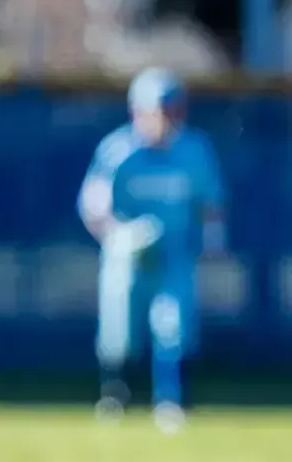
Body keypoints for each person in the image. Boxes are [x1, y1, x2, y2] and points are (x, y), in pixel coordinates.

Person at [77, 68, 227, 433]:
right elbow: (93, 205)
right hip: (127, 257)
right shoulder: (118, 150)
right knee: (119, 329)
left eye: (171, 109)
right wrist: (118, 235)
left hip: (174, 253)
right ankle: (115, 395)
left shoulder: (194, 150)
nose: (163, 118)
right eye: (157, 109)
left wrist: (214, 243)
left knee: (173, 325)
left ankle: (172, 400)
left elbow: (210, 204)